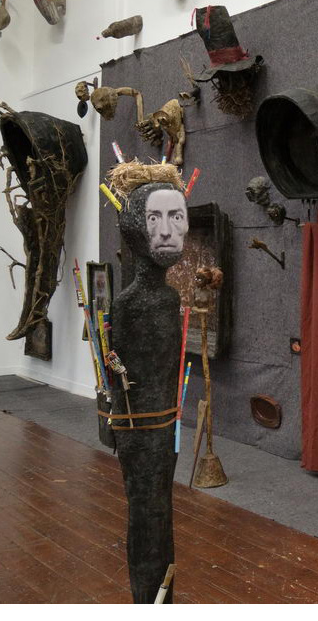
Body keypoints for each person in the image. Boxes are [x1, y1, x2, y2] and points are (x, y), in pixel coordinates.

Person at [110, 180, 188, 603]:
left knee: (161, 512)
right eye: (154, 218)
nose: (166, 231)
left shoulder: (171, 298)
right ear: (135, 227)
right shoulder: (128, 303)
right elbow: (117, 372)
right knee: (146, 513)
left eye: (176, 217)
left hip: (164, 427)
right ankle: (149, 601)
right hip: (138, 430)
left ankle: (160, 601)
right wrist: (120, 425)